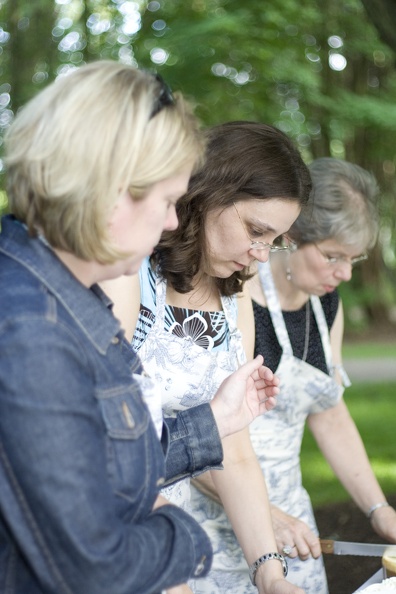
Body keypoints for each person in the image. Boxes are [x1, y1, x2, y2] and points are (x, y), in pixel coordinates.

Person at [0, 61, 284, 594]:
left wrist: (214, 420)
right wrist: (185, 535)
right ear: (108, 192)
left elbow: (101, 461)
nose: (174, 222)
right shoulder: (31, 330)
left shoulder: (62, 300)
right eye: (167, 201)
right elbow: (92, 563)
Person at [104, 121, 312, 594]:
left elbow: (234, 453)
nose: (260, 255)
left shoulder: (236, 303)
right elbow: (99, 451)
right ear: (207, 193)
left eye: (273, 241)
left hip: (182, 537)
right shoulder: (128, 277)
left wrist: (271, 573)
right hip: (115, 540)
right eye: (255, 231)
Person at [239, 157, 396, 593]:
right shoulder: (234, 296)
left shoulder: (327, 305)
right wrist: (263, 513)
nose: (344, 273)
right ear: (290, 237)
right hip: (219, 520)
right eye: (333, 257)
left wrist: (378, 508)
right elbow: (203, 437)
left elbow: (328, 412)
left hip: (294, 520)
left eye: (354, 258)